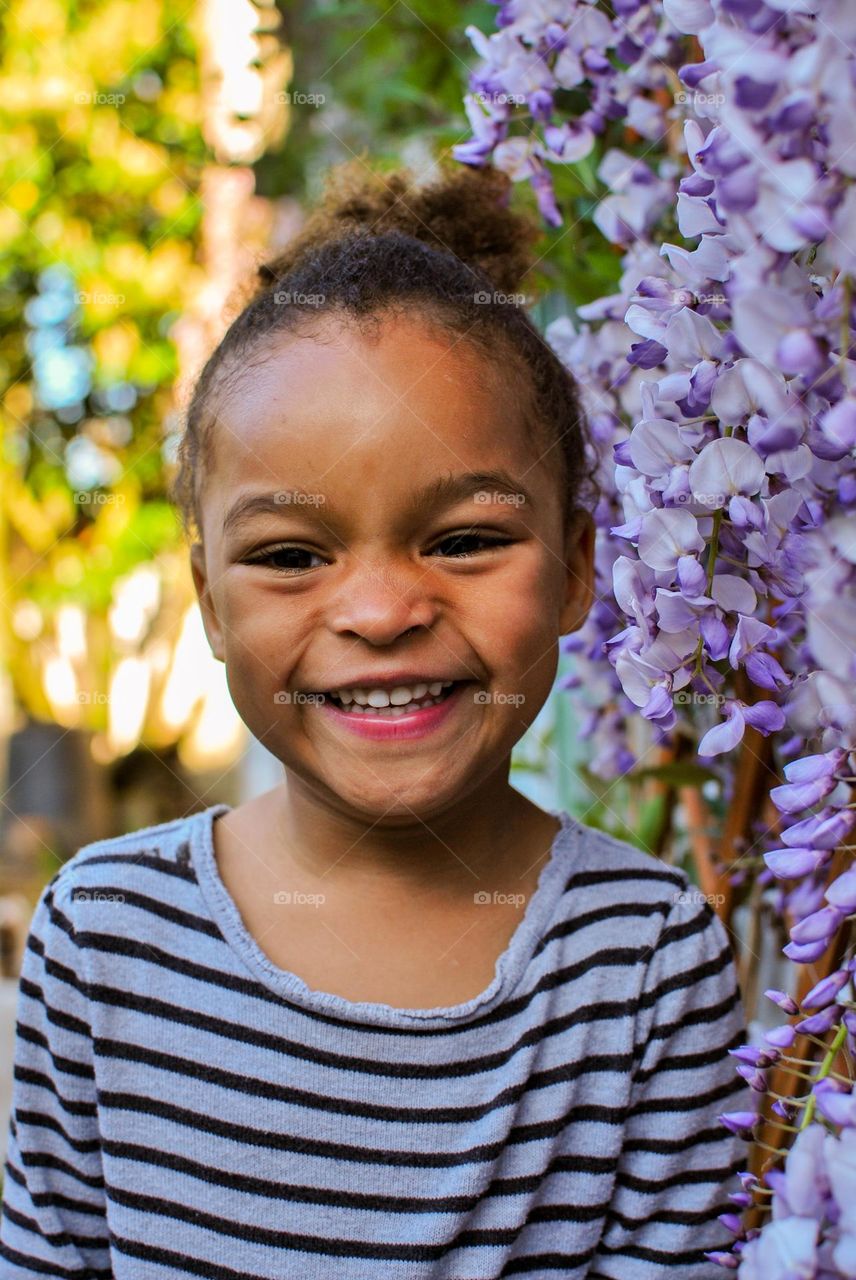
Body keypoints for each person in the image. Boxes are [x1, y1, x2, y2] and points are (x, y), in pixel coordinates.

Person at [1, 159, 753, 1279]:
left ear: (579, 566)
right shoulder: (104, 938)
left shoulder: (644, 962)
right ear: (209, 600)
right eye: (292, 557)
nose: (383, 611)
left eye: (462, 539)